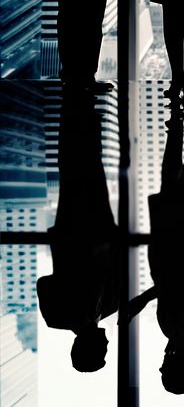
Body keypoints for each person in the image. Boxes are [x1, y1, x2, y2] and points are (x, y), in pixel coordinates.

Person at [126, 98, 184, 395]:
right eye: (166, 368)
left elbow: (175, 293)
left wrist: (144, 300)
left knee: (172, 184)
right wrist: (142, 301)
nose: (163, 363)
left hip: (173, 256)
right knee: (180, 186)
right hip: (180, 255)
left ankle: (180, 126)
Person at [36, 96, 119, 372]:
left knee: (73, 173)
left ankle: (76, 108)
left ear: (90, 348)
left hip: (75, 234)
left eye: (102, 353)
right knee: (91, 172)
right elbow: (45, 285)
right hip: (96, 233)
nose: (108, 348)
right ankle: (85, 114)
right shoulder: (69, 315)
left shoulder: (70, 315)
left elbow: (44, 284)